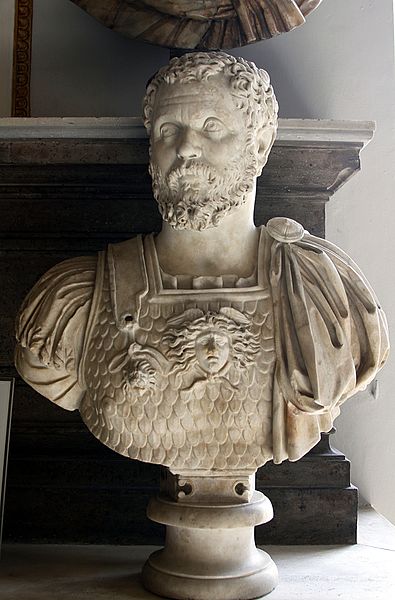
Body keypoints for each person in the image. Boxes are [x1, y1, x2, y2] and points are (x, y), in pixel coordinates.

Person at [15, 52, 389, 473]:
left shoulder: (320, 289)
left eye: (212, 127)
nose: (186, 147)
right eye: (168, 129)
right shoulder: (75, 300)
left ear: (260, 144)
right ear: (151, 147)